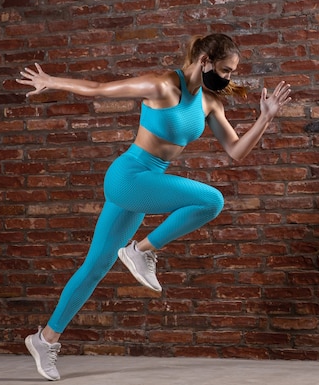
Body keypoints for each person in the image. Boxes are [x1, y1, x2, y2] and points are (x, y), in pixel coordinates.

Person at [16, 33, 292, 381]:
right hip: (128, 177)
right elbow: (100, 88)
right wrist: (49, 81)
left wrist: (266, 117)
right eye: (224, 70)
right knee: (211, 200)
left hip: (145, 186)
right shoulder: (160, 84)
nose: (228, 79)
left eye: (231, 73)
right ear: (205, 60)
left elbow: (236, 151)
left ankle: (45, 339)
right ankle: (140, 251)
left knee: (96, 266)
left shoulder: (209, 103)